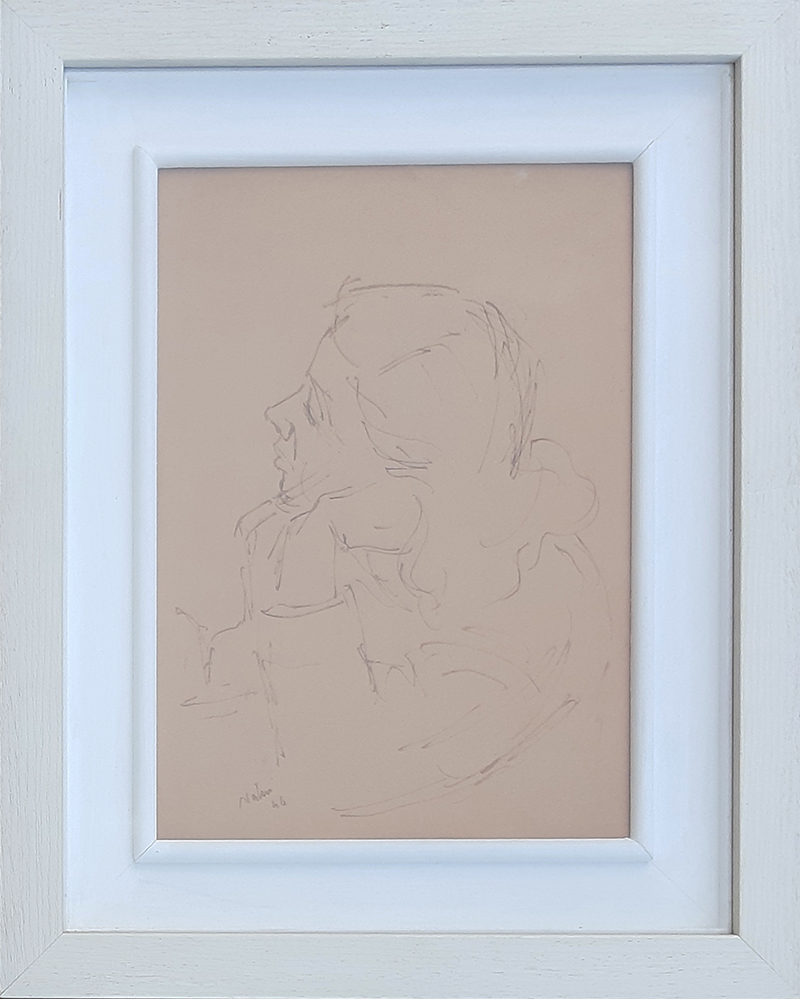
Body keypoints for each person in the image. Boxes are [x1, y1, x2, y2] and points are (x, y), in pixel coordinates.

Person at [182, 282, 609, 820]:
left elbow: (337, 790)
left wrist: (300, 593)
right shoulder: (361, 546)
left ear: (409, 466)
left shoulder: (514, 632)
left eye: (317, 410)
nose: (277, 413)